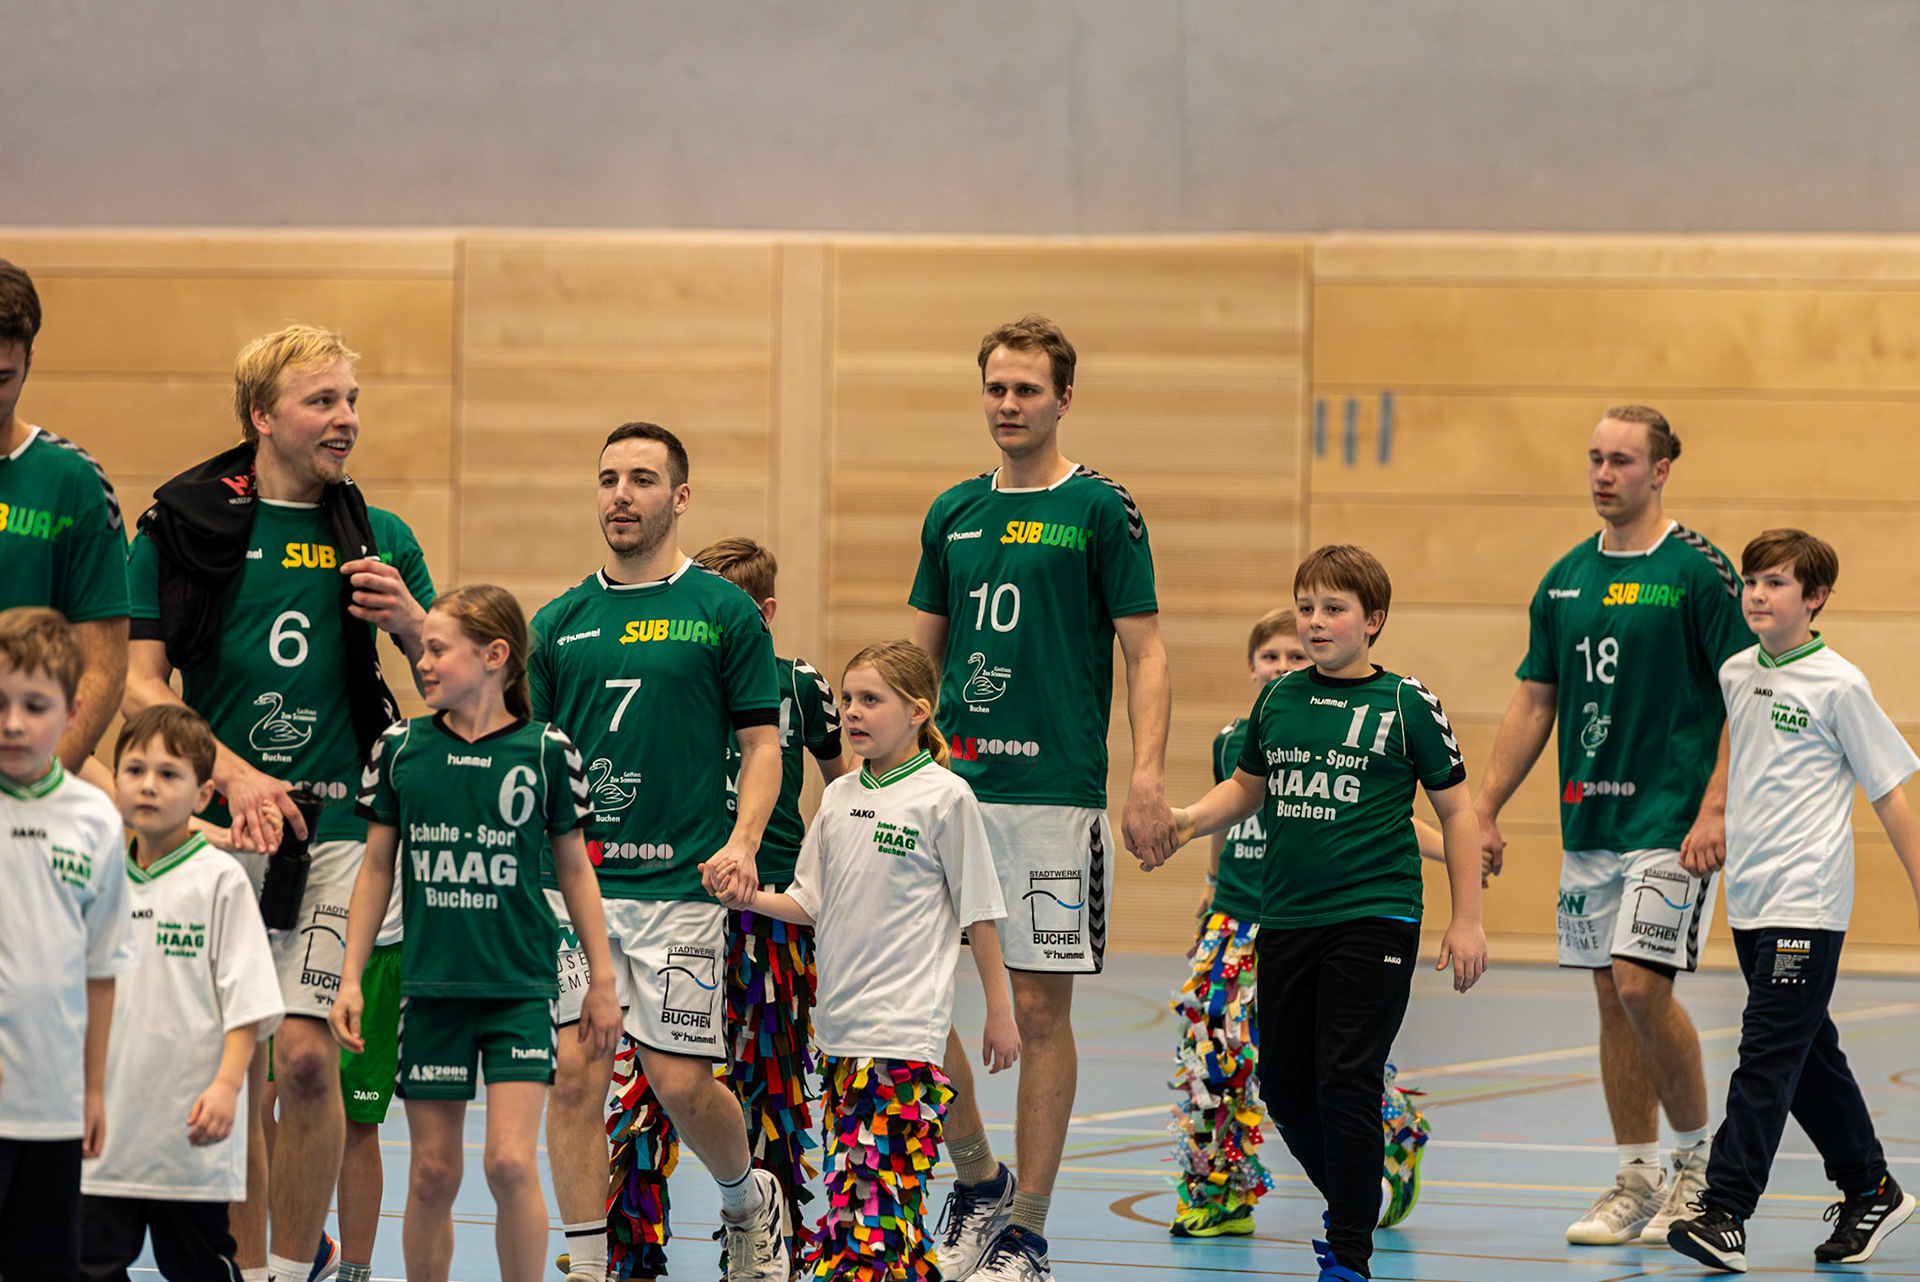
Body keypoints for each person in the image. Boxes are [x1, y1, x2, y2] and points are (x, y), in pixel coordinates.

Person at [123, 325, 435, 1282]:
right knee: (238, 1065)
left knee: (304, 1058)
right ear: (261, 415)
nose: (345, 419)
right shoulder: (178, 526)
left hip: (340, 835)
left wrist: (412, 622)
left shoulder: (381, 537)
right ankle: (248, 1269)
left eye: (352, 400)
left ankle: (295, 1273)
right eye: (321, 400)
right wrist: (231, 773)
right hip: (221, 834)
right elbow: (139, 684)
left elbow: (460, 688)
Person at [908, 314, 1174, 1282]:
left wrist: (1144, 775)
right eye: (996, 388)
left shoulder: (1101, 508)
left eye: (1026, 389)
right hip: (949, 794)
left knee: (1037, 1009)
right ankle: (977, 1177)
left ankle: (1025, 1230)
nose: (1009, 404)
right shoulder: (952, 512)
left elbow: (1146, 651)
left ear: (1064, 398)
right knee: (906, 1001)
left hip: (1054, 800)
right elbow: (918, 661)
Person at [1149, 545, 1489, 1282]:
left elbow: (1457, 813)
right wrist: (1185, 822)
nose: (1315, 622)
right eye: (1307, 608)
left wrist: (1467, 918)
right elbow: (1247, 790)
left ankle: (1349, 1253)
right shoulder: (1277, 701)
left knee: (1346, 1077)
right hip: (1288, 920)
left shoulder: (1406, 703)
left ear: (1374, 620)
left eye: (1334, 609)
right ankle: (1358, 1197)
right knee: (1283, 1086)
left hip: (1376, 916)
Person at [1472, 407, 1749, 1247]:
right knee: (1608, 997)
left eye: (1622, 460)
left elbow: (1745, 692)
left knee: (1638, 985)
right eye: (1595, 457)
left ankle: (1697, 1168)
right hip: (1589, 820)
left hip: (1670, 823)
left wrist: (1717, 805)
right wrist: (1484, 806)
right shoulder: (1565, 578)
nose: (1603, 473)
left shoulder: (1698, 571)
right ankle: (1635, 1177)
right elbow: (1535, 700)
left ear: (1661, 469)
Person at [527, 422, 787, 1282]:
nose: (620, 495)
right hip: (580, 891)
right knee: (576, 1076)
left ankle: (748, 1200)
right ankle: (587, 1262)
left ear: (679, 497)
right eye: (608, 479)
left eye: (641, 479)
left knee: (679, 1085)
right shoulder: (559, 622)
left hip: (681, 890)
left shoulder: (722, 612)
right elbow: (530, 758)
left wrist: (744, 842)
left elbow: (762, 745)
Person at [332, 585, 621, 1282]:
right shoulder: (400, 748)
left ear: (495, 656)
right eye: (423, 649)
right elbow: (376, 869)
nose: (423, 662)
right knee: (432, 1172)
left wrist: (602, 980)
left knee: (510, 1164)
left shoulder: (546, 751)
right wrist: (349, 977)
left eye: (438, 649)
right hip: (432, 991)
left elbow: (575, 870)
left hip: (519, 989)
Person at [720, 639, 1019, 1281]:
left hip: (904, 1036)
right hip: (838, 1037)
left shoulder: (945, 797)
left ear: (918, 711)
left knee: (871, 1214)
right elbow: (808, 901)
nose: (853, 712)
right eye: (849, 699)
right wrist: (749, 896)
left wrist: (1000, 1011)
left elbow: (980, 912)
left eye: (871, 700)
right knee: (873, 1212)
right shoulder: (838, 798)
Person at [1666, 530, 1920, 1273]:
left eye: (1775, 583)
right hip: (1749, 900)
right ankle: (1870, 1189)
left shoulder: (1841, 685)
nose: (1757, 594)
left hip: (1807, 901)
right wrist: (1714, 813)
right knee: (1806, 1056)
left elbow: (1889, 793)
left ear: (1815, 598)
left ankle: (1724, 1211)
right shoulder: (1737, 671)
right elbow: (1736, 748)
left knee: (1767, 1053)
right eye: (1751, 581)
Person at [81, 705, 285, 1281]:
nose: (148, 785)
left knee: (198, 1268)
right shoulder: (98, 880)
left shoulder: (220, 881)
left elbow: (247, 1005)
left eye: (168, 774)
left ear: (202, 796)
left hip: (190, 1138)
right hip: (107, 1137)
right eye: (134, 770)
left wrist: (226, 1087)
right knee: (88, 1265)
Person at [694, 536, 854, 1258]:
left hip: (774, 912)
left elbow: (845, 786)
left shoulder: (799, 684)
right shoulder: (679, 680)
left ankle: (772, 1238)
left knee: (772, 1080)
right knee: (658, 1077)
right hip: (682, 902)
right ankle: (627, 1245)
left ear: (764, 613)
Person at [0, 607, 137, 1281]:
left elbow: (101, 968)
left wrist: (93, 1091)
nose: (13, 723)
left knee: (48, 1264)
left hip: (53, 1106)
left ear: (72, 711)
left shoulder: (94, 820)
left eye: (34, 706)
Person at [0, 259, 130, 785]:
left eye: (1, 378)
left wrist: (38, 782)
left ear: (29, 360)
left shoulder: (74, 482)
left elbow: (103, 665)